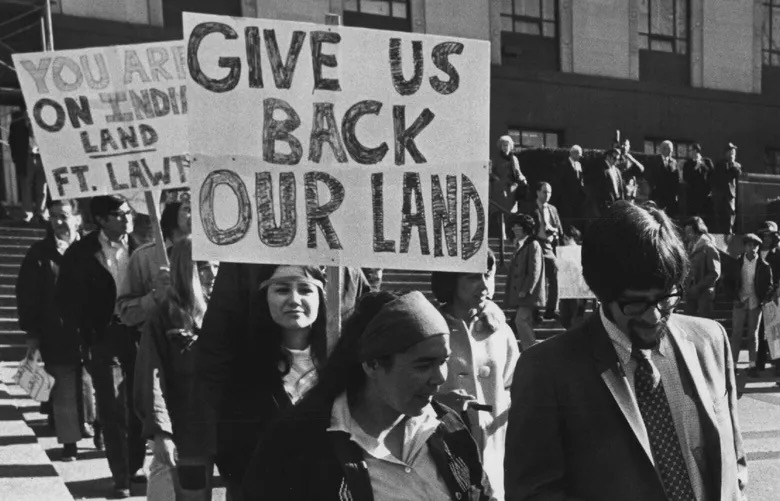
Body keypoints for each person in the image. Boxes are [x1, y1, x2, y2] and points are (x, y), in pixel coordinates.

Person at [505, 201, 747, 501]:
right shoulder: (547, 370)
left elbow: (733, 459)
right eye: (636, 303)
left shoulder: (710, 340)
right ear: (601, 292)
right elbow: (532, 492)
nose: (654, 316)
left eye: (665, 298)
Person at [242, 291, 495, 501]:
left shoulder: (449, 429)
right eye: (423, 365)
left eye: (443, 361)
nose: (439, 377)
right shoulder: (298, 442)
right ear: (372, 364)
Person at [196, 264, 328, 500]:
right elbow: (233, 446)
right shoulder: (242, 368)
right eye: (282, 290)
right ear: (264, 298)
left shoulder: (341, 365)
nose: (294, 300)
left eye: (306, 290)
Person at [56, 195, 145, 499]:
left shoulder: (143, 246)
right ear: (102, 220)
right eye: (119, 214)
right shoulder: (81, 253)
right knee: (112, 408)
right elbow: (66, 298)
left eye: (127, 213)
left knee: (137, 405)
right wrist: (83, 335)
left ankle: (136, 466)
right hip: (104, 338)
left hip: (139, 334)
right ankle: (121, 475)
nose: (126, 218)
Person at [431, 250, 520, 501]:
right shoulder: (430, 328)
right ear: (451, 280)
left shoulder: (501, 330)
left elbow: (513, 384)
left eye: (488, 275)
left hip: (495, 454)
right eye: (473, 277)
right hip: (442, 455)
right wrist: (442, 404)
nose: (484, 285)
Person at [135, 237, 219, 500]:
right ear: (187, 268)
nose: (213, 274)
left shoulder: (227, 314)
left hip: (228, 434)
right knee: (191, 496)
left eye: (218, 266)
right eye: (204, 266)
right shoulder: (164, 317)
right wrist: (161, 432)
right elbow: (151, 378)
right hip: (188, 434)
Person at [16, 199, 90, 461]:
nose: (61, 222)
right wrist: (32, 334)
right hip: (56, 333)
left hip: (93, 331)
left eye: (66, 216)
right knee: (64, 389)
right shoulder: (39, 253)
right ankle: (69, 442)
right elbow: (27, 296)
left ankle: (98, 431)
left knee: (94, 386)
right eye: (55, 216)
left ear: (78, 219)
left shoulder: (92, 248)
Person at [116, 200, 192, 328]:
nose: (197, 213)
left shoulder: (214, 255)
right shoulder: (143, 257)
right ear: (172, 213)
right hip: (161, 341)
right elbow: (127, 314)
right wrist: (156, 296)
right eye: (188, 209)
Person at [724, 233, 772, 378]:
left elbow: (769, 285)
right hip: (740, 300)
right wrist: (734, 298)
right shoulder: (736, 263)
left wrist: (763, 299)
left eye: (755, 245)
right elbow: (727, 283)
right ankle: (733, 365)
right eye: (750, 245)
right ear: (744, 246)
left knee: (753, 334)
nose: (753, 248)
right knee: (736, 333)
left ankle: (752, 365)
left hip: (755, 302)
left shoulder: (764, 265)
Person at [504, 214, 544, 351]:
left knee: (520, 320)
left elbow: (535, 270)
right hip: (522, 294)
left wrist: (526, 289)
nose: (515, 228)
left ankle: (531, 349)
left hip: (529, 294)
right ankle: (531, 349)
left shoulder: (533, 244)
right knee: (524, 321)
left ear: (526, 228)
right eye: (514, 226)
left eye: (519, 226)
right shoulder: (521, 244)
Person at [531, 182, 563, 320]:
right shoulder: (530, 208)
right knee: (536, 278)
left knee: (555, 275)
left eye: (549, 192)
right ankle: (536, 311)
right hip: (535, 244)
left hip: (548, 245)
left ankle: (551, 309)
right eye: (544, 192)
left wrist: (555, 233)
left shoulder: (552, 209)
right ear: (538, 192)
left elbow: (559, 229)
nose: (547, 195)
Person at [681, 216, 721, 319]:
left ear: (697, 230)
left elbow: (714, 273)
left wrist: (698, 287)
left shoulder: (709, 247)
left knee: (704, 322)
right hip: (690, 293)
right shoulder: (690, 247)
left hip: (704, 294)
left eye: (689, 231)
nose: (687, 235)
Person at [489, 135, 527, 238]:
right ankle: (503, 237)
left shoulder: (514, 159)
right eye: (503, 145)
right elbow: (490, 171)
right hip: (500, 190)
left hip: (512, 191)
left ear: (510, 146)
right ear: (500, 147)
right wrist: (497, 179)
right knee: (500, 214)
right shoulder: (495, 158)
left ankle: (512, 237)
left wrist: (523, 179)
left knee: (511, 215)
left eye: (507, 145)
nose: (505, 147)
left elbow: (518, 173)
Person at [757, 221, 780, 376]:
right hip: (757, 296)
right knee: (758, 331)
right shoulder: (755, 251)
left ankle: (777, 364)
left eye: (769, 235)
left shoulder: (778, 253)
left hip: (774, 297)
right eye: (764, 235)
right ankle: (759, 363)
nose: (766, 239)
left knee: (775, 331)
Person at [557, 225, 589, 329]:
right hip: (569, 289)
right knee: (568, 317)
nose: (565, 240)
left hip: (577, 289)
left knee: (574, 316)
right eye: (565, 238)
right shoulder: (565, 251)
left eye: (567, 238)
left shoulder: (578, 251)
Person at [711, 143, 742, 234]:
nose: (732, 154)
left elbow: (737, 173)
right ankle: (719, 232)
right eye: (730, 152)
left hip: (730, 194)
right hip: (720, 193)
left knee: (730, 213)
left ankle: (729, 231)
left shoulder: (737, 165)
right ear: (726, 153)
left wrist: (732, 164)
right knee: (719, 213)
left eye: (733, 152)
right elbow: (718, 176)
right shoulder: (720, 164)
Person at [585, 147, 624, 219]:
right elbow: (596, 190)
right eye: (614, 158)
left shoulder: (617, 170)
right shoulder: (600, 169)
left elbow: (620, 188)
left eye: (618, 159)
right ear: (608, 157)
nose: (616, 161)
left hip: (617, 204)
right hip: (605, 205)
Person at [648, 140, 681, 217]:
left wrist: (676, 193)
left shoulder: (674, 162)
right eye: (669, 149)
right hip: (658, 195)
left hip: (670, 196)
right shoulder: (654, 161)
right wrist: (653, 188)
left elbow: (676, 178)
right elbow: (650, 176)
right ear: (663, 149)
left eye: (672, 149)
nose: (671, 151)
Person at [558, 145, 586, 232]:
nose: (580, 157)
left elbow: (581, 179)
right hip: (567, 197)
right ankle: (567, 234)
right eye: (579, 155)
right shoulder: (564, 165)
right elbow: (560, 181)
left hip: (577, 197)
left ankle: (575, 234)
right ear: (573, 153)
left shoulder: (578, 164)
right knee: (568, 216)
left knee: (576, 216)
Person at [682, 143, 714, 218]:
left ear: (695, 151)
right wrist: (695, 168)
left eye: (690, 150)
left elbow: (712, 175)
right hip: (692, 196)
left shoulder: (707, 161)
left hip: (705, 195)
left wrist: (702, 165)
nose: (689, 152)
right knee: (692, 217)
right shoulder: (687, 164)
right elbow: (686, 178)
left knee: (705, 217)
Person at [615, 138, 645, 203]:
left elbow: (641, 169)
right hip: (618, 188)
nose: (623, 147)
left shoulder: (630, 159)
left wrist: (631, 159)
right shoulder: (615, 158)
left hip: (629, 189)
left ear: (629, 147)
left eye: (625, 145)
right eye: (622, 145)